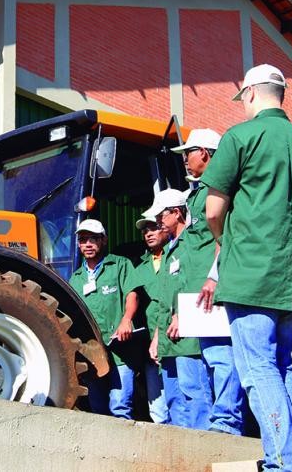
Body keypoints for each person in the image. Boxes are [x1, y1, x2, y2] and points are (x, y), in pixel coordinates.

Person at [197, 64, 292, 471]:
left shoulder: (242, 136)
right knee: (283, 367)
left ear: (250, 93)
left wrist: (224, 242)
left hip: (251, 272)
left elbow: (213, 209)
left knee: (257, 369)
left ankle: (281, 463)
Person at [171, 128, 246, 436]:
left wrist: (214, 276)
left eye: (189, 153)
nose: (185, 160)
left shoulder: (219, 187)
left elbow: (223, 237)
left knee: (221, 356)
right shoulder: (198, 192)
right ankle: (213, 423)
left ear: (204, 152)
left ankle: (227, 420)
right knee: (205, 359)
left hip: (211, 288)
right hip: (195, 292)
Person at [147, 188, 212, 430]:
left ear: (176, 213)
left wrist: (183, 316)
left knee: (194, 391)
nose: (157, 223)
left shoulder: (193, 243)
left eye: (160, 217)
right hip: (168, 338)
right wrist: (156, 337)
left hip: (187, 334)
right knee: (174, 397)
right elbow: (164, 300)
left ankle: (203, 444)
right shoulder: (169, 250)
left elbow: (197, 283)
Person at [68, 219, 140, 418]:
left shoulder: (119, 265)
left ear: (104, 240)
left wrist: (126, 320)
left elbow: (131, 294)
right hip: (92, 352)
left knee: (120, 407)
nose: (88, 244)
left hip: (120, 349)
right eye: (83, 240)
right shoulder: (76, 278)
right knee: (98, 410)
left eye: (93, 239)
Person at [125, 213, 172, 424]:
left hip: (175, 339)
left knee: (182, 401)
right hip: (150, 348)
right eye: (145, 231)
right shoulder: (140, 267)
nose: (148, 234)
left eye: (153, 228)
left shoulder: (177, 256)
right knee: (158, 409)